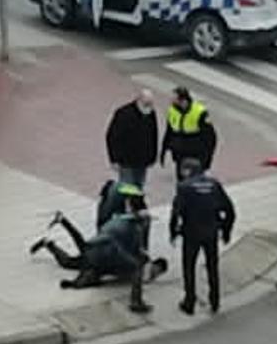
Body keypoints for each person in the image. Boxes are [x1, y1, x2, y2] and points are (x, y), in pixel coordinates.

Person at [29, 184, 166, 314]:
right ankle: (135, 302)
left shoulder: (123, 220)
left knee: (69, 262)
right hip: (100, 254)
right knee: (134, 268)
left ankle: (48, 243)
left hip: (99, 253)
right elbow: (125, 246)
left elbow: (133, 245)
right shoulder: (128, 225)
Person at [169, 159, 236, 315]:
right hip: (211, 231)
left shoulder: (184, 187)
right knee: (212, 265)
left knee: (189, 266)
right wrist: (226, 231)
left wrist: (173, 232)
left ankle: (189, 301)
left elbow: (176, 213)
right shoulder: (214, 184)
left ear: (187, 171)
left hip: (191, 232)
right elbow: (230, 210)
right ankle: (215, 299)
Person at [161, 86, 217, 181]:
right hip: (180, 153)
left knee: (195, 180)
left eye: (174, 99)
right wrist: (164, 150)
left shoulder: (199, 112)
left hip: (196, 152)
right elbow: (169, 131)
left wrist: (207, 160)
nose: (171, 101)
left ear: (183, 100)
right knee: (181, 181)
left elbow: (210, 137)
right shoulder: (172, 110)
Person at [105, 88, 158, 187]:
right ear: (138, 100)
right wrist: (114, 159)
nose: (148, 106)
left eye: (150, 103)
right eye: (146, 103)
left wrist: (152, 156)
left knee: (139, 186)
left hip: (142, 160)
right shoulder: (123, 114)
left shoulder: (150, 113)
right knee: (127, 187)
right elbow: (112, 137)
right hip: (126, 160)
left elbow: (153, 135)